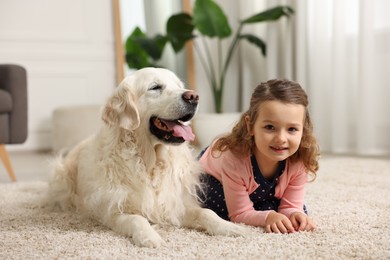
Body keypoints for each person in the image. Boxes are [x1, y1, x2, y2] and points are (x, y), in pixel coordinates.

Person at [198, 79, 320, 234]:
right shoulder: (234, 159)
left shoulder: (298, 160)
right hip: (213, 175)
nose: (281, 139)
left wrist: (295, 214)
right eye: (270, 127)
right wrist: (268, 217)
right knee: (216, 204)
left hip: (251, 186)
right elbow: (239, 213)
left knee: (294, 210)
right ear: (251, 126)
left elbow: (290, 206)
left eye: (292, 129)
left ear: (303, 129)